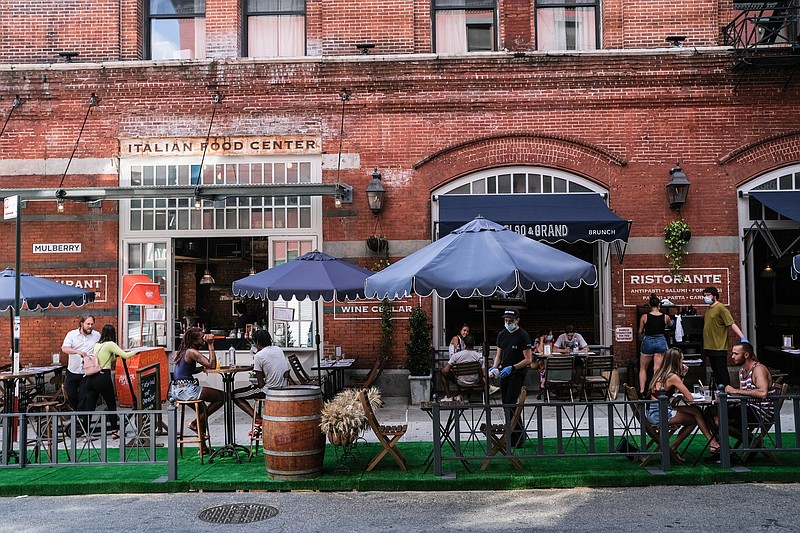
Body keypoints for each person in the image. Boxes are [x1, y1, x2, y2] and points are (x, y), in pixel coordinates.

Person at [646, 347, 720, 461]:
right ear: (676, 361)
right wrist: (682, 381)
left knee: (696, 412)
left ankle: (713, 442)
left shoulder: (661, 372)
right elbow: (690, 399)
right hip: (660, 414)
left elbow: (677, 391)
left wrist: (683, 375)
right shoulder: (673, 376)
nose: (683, 362)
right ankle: (711, 442)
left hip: (653, 410)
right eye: (682, 360)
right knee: (694, 419)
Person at [169, 327, 225, 448]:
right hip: (187, 389)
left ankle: (203, 447)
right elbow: (212, 364)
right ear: (194, 340)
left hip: (178, 389)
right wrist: (211, 345)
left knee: (202, 410)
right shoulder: (192, 352)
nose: (205, 338)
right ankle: (194, 423)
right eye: (202, 337)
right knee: (222, 397)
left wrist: (201, 369)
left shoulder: (185, 350)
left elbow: (189, 370)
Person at [232, 329, 290, 437]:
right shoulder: (278, 349)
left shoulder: (259, 356)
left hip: (269, 390)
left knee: (234, 395)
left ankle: (258, 419)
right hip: (283, 388)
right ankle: (259, 422)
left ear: (257, 342)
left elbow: (260, 383)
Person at [83, 324, 136, 438]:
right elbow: (126, 356)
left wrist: (113, 355)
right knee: (111, 404)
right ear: (113, 334)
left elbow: (109, 358)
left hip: (91, 378)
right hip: (103, 377)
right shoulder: (110, 344)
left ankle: (87, 433)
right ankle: (114, 431)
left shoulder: (97, 345)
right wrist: (136, 351)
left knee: (90, 406)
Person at [489, 308, 532, 447]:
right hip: (504, 372)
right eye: (506, 321)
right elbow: (499, 355)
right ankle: (515, 434)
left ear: (517, 321)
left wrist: (512, 368)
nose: (508, 323)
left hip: (517, 372)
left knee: (510, 402)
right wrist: (495, 367)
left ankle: (516, 436)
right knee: (506, 404)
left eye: (510, 321)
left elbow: (528, 359)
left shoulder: (522, 335)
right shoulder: (502, 334)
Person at [723, 342, 776, 429]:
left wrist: (735, 391)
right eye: (732, 353)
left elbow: (763, 393)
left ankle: (751, 441)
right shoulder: (742, 371)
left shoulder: (758, 369)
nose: (732, 357)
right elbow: (744, 394)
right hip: (747, 407)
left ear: (746, 355)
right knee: (711, 411)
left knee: (722, 419)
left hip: (760, 412)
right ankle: (716, 441)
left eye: (736, 354)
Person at [702, 286, 746, 388]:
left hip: (719, 345)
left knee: (721, 370)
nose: (706, 297)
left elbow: (731, 323)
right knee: (715, 370)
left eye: (708, 295)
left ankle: (727, 390)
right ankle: (719, 391)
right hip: (709, 345)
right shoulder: (709, 309)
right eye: (704, 296)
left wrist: (742, 337)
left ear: (715, 296)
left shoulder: (721, 307)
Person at [61, 315, 100, 411]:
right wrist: (78, 352)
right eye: (88, 324)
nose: (90, 326)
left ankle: (80, 418)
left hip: (86, 372)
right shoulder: (72, 334)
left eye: (92, 324)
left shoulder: (97, 335)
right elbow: (64, 348)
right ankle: (77, 413)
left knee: (84, 397)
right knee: (71, 395)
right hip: (72, 370)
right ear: (82, 323)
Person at [638, 294, 672, 396]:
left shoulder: (644, 317)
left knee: (643, 368)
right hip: (660, 340)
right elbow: (671, 325)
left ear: (650, 305)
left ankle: (642, 390)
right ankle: (655, 389)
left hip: (648, 340)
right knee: (657, 368)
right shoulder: (665, 317)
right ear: (659, 305)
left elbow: (640, 331)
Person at [440, 334, 484, 400]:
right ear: (474, 343)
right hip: (475, 381)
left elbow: (445, 371)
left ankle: (449, 397)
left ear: (465, 344)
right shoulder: (479, 356)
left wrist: (454, 371)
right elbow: (484, 371)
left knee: (441, 372)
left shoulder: (456, 356)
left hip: (461, 381)